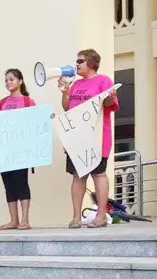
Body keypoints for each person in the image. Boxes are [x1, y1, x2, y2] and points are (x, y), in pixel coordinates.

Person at [58, 49, 119, 229]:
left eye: (80, 61)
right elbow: (67, 108)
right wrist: (65, 92)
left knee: (99, 174)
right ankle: (76, 216)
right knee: (78, 176)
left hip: (98, 137)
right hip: (77, 138)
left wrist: (109, 97)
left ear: (92, 63)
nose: (77, 64)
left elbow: (109, 105)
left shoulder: (104, 80)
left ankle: (101, 215)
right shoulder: (75, 84)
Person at [0, 69, 36, 230]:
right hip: (4, 150)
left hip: (21, 149)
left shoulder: (27, 101)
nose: (8, 82)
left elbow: (35, 121)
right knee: (9, 185)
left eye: (11, 79)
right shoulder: (2, 102)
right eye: (6, 80)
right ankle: (14, 220)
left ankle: (25, 219)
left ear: (20, 81)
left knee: (21, 183)